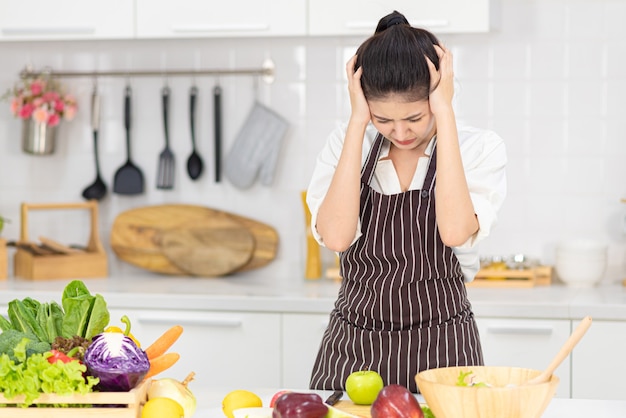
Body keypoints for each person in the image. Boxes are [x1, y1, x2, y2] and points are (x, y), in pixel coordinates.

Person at [306, 10, 507, 393]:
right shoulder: (350, 144)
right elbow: (335, 236)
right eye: (383, 119)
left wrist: (445, 114)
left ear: (438, 94)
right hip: (354, 348)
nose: (400, 133)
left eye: (414, 117)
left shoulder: (479, 147)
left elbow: (455, 231)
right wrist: (356, 124)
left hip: (443, 348)